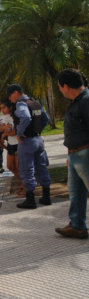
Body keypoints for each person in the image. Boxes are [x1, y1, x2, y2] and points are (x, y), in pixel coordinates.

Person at [55, 69, 89, 239]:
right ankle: (77, 226)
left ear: (66, 86)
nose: (60, 91)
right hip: (75, 155)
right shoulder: (76, 101)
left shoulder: (86, 100)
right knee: (76, 192)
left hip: (85, 154)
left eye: (60, 87)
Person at [7, 84, 52, 209]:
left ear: (16, 93)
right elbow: (45, 118)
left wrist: (19, 133)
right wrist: (37, 131)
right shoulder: (35, 102)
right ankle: (46, 197)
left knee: (27, 170)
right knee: (42, 167)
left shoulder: (21, 104)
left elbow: (25, 117)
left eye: (10, 96)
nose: (10, 99)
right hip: (38, 140)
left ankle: (30, 200)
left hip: (27, 142)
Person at [0, 100, 25, 197]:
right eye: (1, 108)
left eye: (4, 108)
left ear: (10, 107)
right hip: (10, 143)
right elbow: (0, 128)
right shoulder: (5, 117)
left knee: (19, 166)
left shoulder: (16, 116)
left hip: (19, 143)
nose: (2, 110)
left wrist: (5, 133)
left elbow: (15, 132)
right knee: (10, 166)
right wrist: (5, 129)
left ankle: (25, 186)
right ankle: (22, 182)